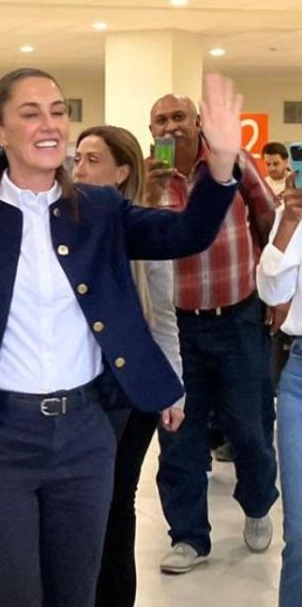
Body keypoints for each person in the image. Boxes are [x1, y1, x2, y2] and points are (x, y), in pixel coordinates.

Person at [0, 69, 242, 607]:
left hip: (86, 435)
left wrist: (223, 164)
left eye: (57, 111)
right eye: (30, 113)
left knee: (76, 593)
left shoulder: (98, 209)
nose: (49, 125)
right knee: (12, 594)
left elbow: (186, 234)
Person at [146, 92, 280, 574]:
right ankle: (188, 537)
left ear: (197, 120)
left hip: (239, 318)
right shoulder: (148, 180)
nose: (171, 126)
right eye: (161, 120)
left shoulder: (233, 162)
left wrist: (273, 294)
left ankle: (259, 501)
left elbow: (268, 219)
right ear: (151, 129)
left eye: (179, 116)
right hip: (176, 329)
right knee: (178, 436)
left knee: (250, 427)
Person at [72, 124, 186, 607]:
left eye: (92, 160)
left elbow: (163, 317)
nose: (78, 169)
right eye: (76, 158)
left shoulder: (142, 229)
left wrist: (174, 388)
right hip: (76, 387)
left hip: (129, 388)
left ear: (122, 172)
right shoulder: (63, 226)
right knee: (82, 508)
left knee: (116, 503)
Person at [255, 174, 302, 606]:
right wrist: (287, 224)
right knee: (300, 534)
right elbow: (272, 291)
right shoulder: (294, 216)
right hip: (300, 376)